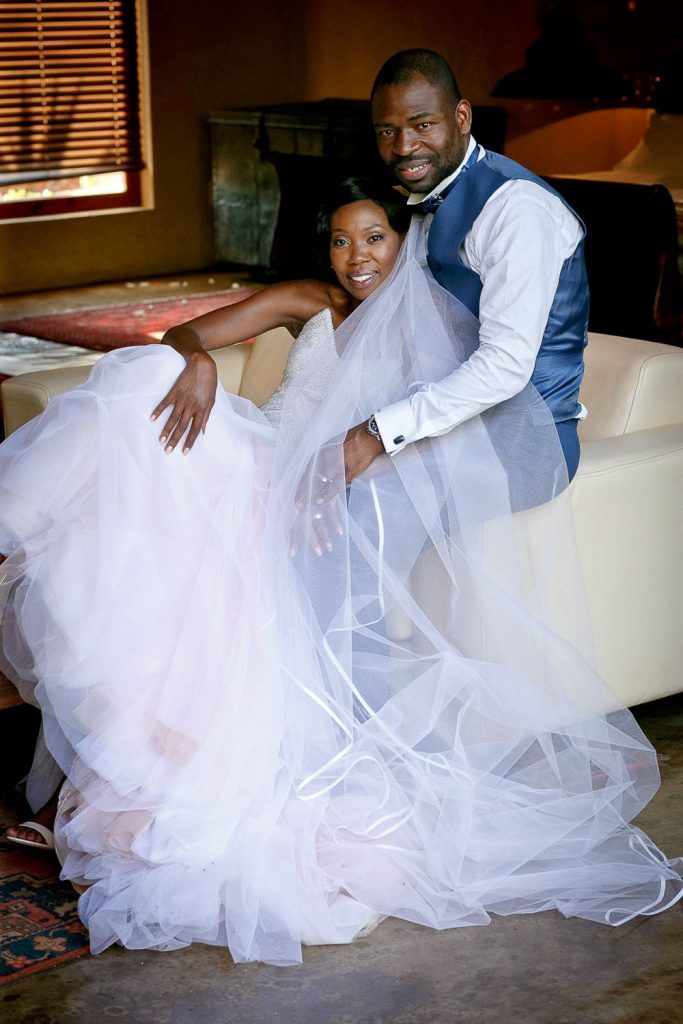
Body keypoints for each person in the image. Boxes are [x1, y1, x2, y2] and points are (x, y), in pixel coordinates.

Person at [1, 177, 682, 967]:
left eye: (375, 238)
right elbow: (183, 333)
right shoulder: (310, 300)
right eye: (340, 240)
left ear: (405, 241)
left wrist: (333, 485)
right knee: (143, 382)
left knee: (135, 556)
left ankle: (110, 774)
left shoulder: (440, 331)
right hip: (253, 456)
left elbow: (433, 434)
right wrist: (199, 365)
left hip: (299, 487)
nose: (357, 257)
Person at [341, 48, 589, 502]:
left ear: (461, 117)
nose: (403, 147)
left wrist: (378, 431)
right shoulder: (414, 201)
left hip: (528, 442)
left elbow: (505, 366)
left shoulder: (517, 208)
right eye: (387, 131)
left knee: (357, 506)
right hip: (446, 428)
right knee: (299, 483)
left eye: (422, 125)